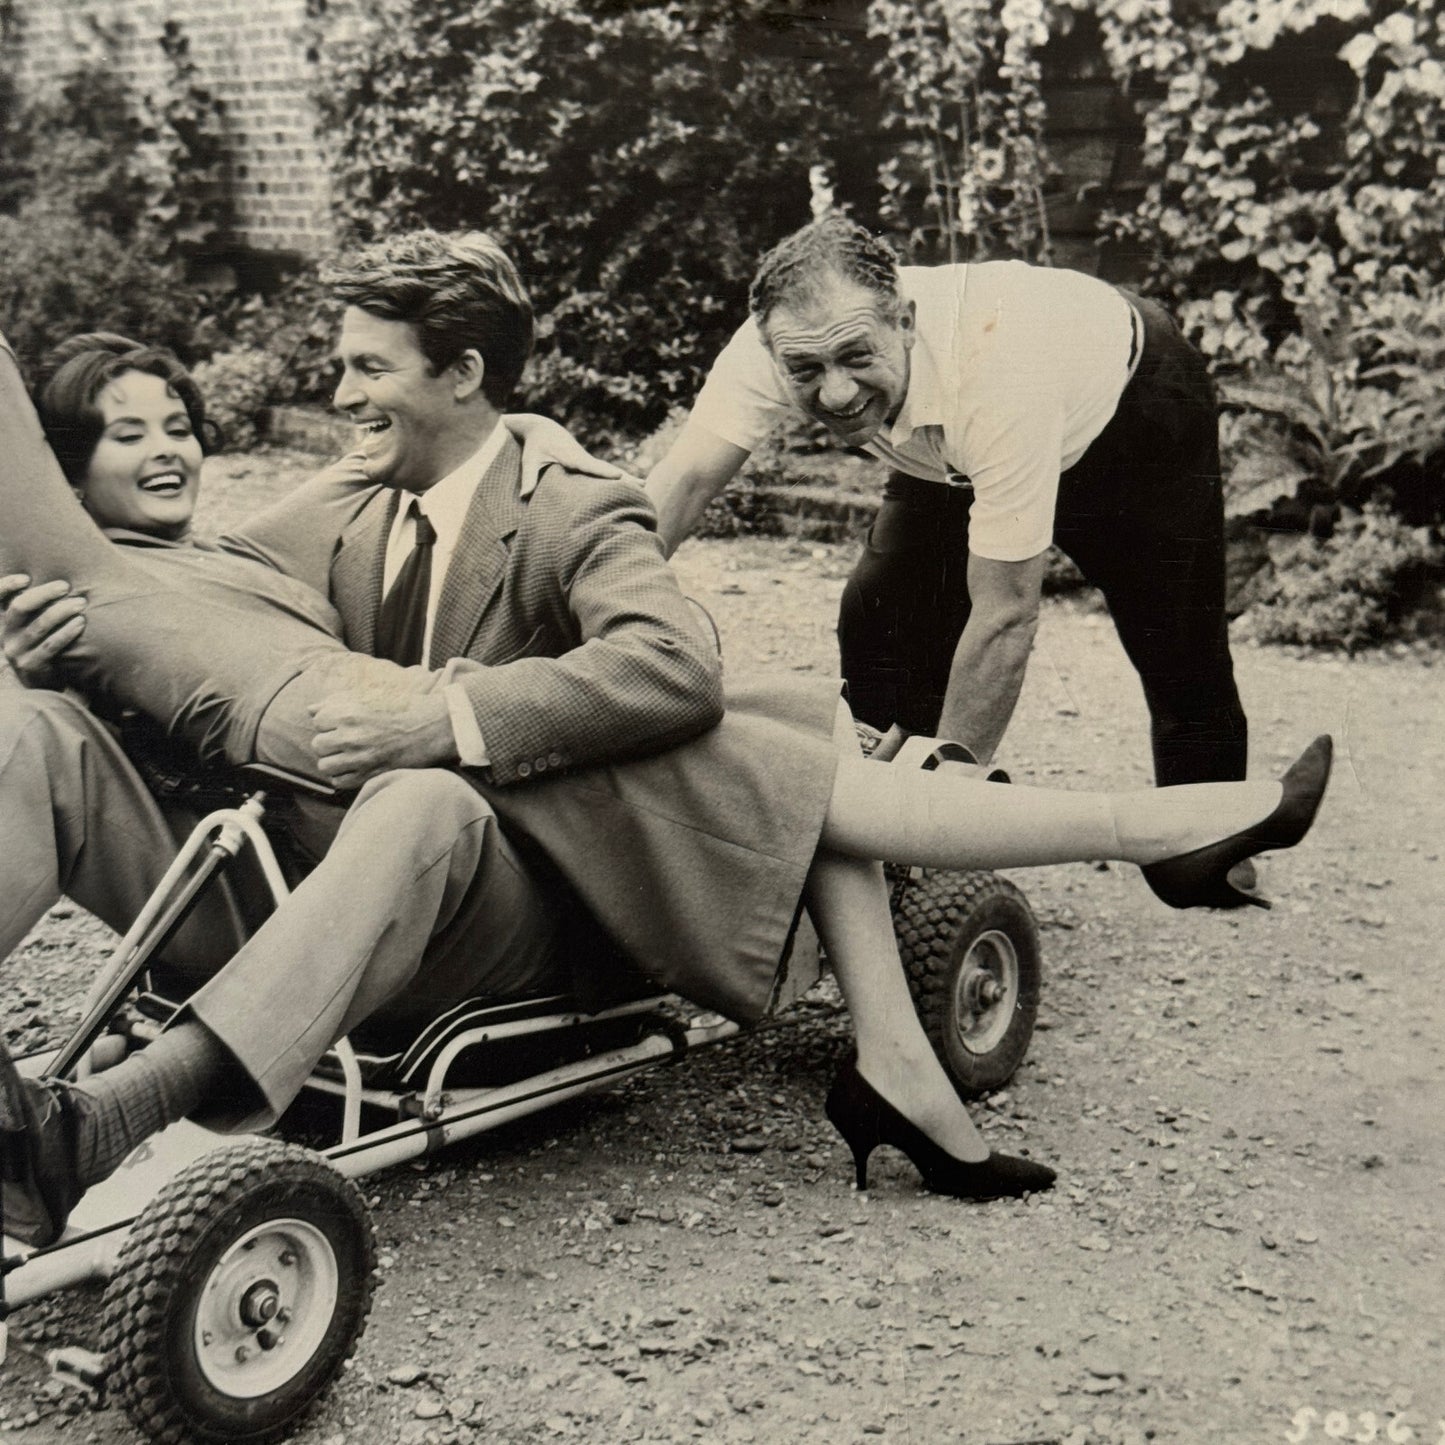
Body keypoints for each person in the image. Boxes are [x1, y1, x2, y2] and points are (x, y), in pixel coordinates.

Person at [0, 233, 1330, 1248]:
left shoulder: (568, 498)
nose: (336, 390)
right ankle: (976, 1002)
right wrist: (77, 637)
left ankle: (103, 1125)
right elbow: (208, 612)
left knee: (494, 782)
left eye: (364, 367)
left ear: (462, 375)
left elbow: (696, 652)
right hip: (317, 860)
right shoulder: (334, 500)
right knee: (41, 729)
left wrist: (454, 712)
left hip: (499, 880)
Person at [644, 214, 1248, 796]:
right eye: (806, 369)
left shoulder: (1001, 378)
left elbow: (1004, 617)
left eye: (857, 356)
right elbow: (686, 482)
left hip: (1131, 409)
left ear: (905, 322)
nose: (836, 392)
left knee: (1173, 636)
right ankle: (874, 793)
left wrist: (944, 813)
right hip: (950, 437)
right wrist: (579, 604)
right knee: (877, 611)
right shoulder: (781, 339)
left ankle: (1215, 837)